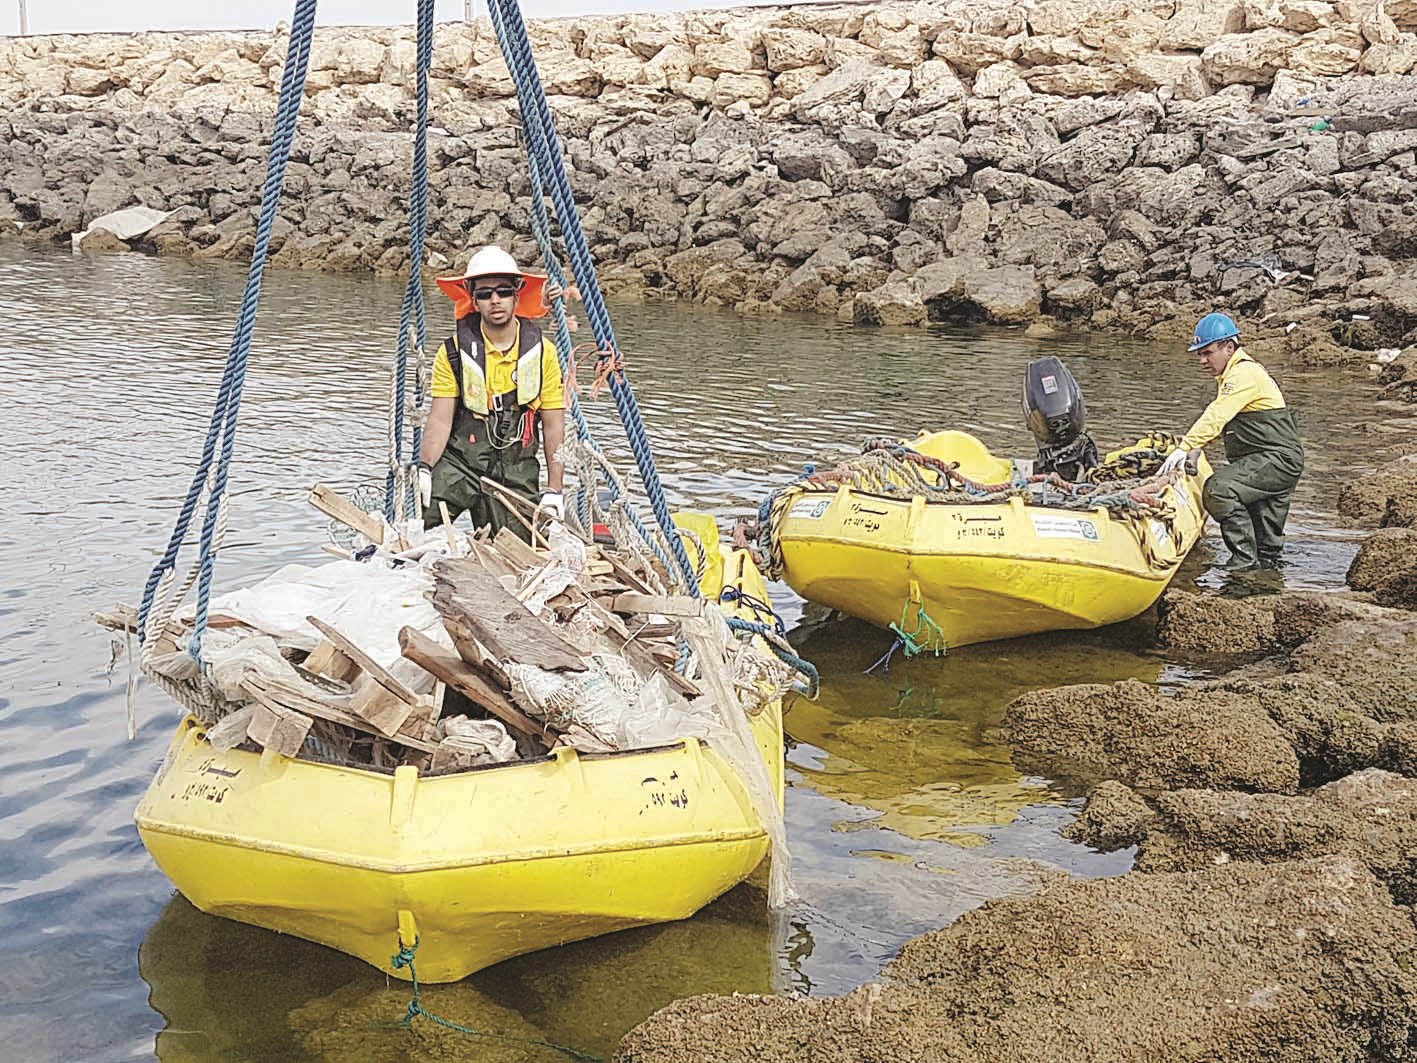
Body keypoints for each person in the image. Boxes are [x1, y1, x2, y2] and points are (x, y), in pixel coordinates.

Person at [417, 245, 568, 540]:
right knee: (416, 525)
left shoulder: (543, 354)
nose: (495, 300)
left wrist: (555, 489)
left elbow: (554, 425)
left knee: (520, 548)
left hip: (515, 469)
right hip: (460, 464)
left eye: (503, 292)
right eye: (485, 294)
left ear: (517, 294)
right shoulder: (452, 352)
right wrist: (424, 467)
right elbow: (440, 420)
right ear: (473, 298)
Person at [1160, 312, 1305, 571]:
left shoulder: (1243, 374)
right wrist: (1199, 446)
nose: (1203, 360)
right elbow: (1233, 423)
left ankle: (1242, 564)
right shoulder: (1235, 375)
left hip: (1275, 461)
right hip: (1274, 460)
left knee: (1218, 490)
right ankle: (1264, 577)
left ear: (1229, 347)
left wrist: (1184, 447)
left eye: (1207, 352)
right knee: (1265, 541)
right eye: (1199, 354)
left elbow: (1218, 413)